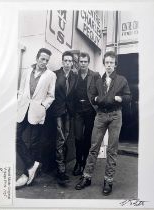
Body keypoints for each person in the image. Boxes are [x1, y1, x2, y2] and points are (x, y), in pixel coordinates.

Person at [75, 51, 131, 195]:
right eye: (107, 62)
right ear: (104, 64)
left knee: (112, 149)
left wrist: (120, 99)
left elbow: (128, 96)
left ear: (115, 64)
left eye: (111, 63)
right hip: (100, 115)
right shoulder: (98, 80)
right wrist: (97, 100)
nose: (109, 65)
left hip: (115, 116)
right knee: (94, 147)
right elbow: (92, 96)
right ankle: (86, 177)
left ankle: (108, 181)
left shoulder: (122, 80)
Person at [16, 48, 56, 189]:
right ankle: (32, 165)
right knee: (15, 137)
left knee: (33, 142)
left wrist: (43, 106)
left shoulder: (50, 75)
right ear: (37, 58)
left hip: (37, 112)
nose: (44, 62)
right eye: (42, 59)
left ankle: (26, 175)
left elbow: (51, 96)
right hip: (22, 109)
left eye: (46, 60)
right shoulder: (27, 71)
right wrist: (19, 101)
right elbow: (21, 89)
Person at [49, 51, 77, 185]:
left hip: (68, 112)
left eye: (69, 61)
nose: (67, 63)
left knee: (65, 138)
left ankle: (60, 166)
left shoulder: (74, 76)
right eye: (65, 60)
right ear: (62, 62)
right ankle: (61, 169)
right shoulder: (55, 74)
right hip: (58, 111)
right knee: (60, 139)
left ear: (72, 63)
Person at [73, 52, 100, 176]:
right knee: (78, 137)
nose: (83, 64)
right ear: (78, 63)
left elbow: (100, 92)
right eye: (81, 61)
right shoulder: (75, 75)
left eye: (85, 61)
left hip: (90, 111)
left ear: (88, 63)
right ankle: (78, 163)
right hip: (78, 110)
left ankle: (84, 162)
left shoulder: (95, 75)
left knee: (87, 137)